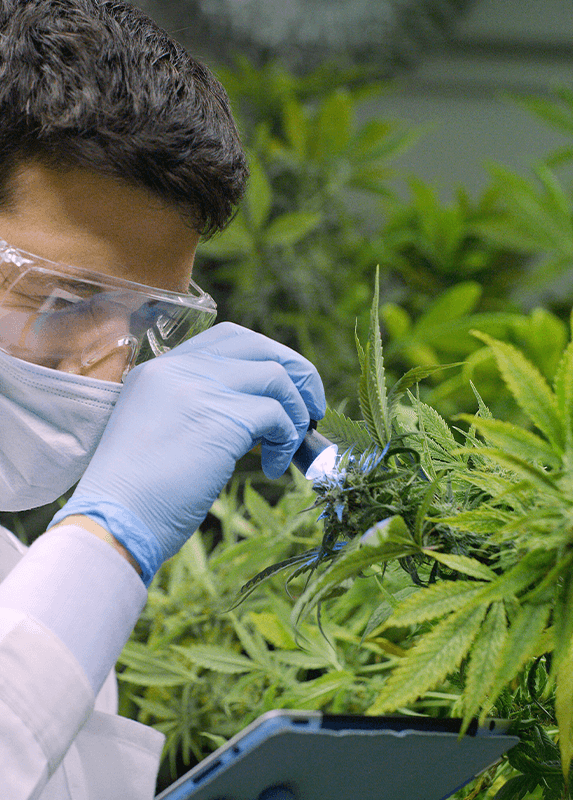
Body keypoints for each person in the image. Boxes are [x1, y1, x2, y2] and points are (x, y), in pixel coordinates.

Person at [0, 1, 326, 797]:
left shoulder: (21, 580)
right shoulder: (69, 583)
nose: (109, 369)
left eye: (150, 319)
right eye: (67, 299)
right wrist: (110, 542)